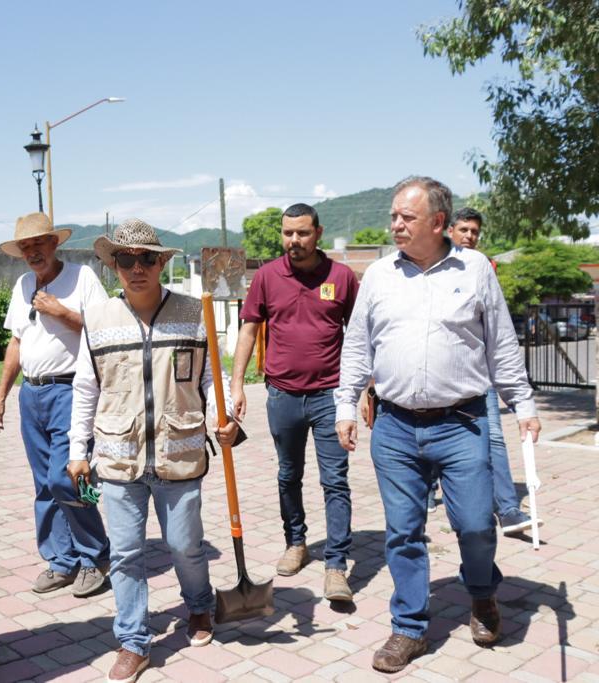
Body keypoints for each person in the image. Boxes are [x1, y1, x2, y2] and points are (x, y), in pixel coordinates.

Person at [334, 176, 541, 673]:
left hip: (462, 423)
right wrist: (346, 406)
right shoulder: (380, 276)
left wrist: (524, 405)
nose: (395, 224)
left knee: (473, 525)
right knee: (403, 532)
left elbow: (502, 346)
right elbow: (358, 347)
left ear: (438, 222)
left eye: (406, 217)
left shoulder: (475, 270)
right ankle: (409, 627)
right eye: (393, 216)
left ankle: (481, 592)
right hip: (395, 427)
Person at [67, 219, 239, 683]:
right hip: (118, 457)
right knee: (125, 554)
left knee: (185, 546)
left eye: (147, 258)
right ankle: (133, 641)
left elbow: (209, 380)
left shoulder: (193, 312)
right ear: (113, 265)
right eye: (126, 259)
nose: (136, 268)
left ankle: (200, 606)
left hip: (179, 454)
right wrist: (76, 448)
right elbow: (86, 387)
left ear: (162, 262)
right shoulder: (98, 319)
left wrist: (226, 419)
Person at [230, 203, 359, 600]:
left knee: (335, 480)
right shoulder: (268, 276)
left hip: (330, 395)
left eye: (302, 233)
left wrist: (363, 391)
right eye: (288, 233)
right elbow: (249, 330)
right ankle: (296, 542)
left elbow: (358, 337)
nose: (294, 241)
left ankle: (336, 565)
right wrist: (236, 383)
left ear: (317, 233)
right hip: (282, 394)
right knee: (288, 475)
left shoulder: (341, 277)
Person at [0, 212, 111, 596]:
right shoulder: (23, 284)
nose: (32, 252)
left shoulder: (82, 278)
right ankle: (62, 560)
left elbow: (108, 330)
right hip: (33, 394)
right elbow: (16, 343)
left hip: (72, 390)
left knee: (71, 478)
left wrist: (62, 312)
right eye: (25, 247)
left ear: (54, 243)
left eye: (38, 244)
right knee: (44, 484)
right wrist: (0, 396)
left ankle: (96, 555)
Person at [438, 207, 539, 535]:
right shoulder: (431, 268)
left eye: (475, 232)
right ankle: (426, 489)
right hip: (436, 379)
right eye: (464, 229)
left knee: (494, 438)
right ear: (449, 230)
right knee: (425, 439)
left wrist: (521, 399)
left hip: (480, 376)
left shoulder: (483, 268)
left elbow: (498, 331)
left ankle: (508, 509)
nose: (469, 236)